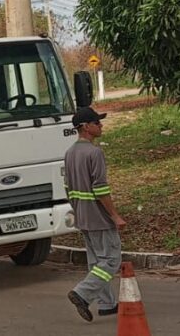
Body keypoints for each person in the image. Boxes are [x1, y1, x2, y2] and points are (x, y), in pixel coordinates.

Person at [65, 107, 127, 322]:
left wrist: (78, 211)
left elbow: (69, 188)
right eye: (97, 123)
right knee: (110, 260)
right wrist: (115, 216)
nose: (101, 126)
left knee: (96, 261)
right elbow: (100, 189)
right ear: (85, 127)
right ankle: (82, 293)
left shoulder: (70, 153)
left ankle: (107, 304)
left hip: (82, 214)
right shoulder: (94, 153)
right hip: (98, 216)